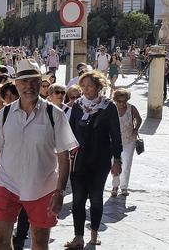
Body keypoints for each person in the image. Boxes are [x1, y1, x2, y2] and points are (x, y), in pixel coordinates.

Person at [0, 58, 78, 250]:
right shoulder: (3, 115)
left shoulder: (55, 115)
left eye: (34, 81)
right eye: (24, 81)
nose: (29, 86)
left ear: (41, 83)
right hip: (8, 184)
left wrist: (60, 192)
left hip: (42, 186)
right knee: (0, 239)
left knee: (39, 240)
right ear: (16, 84)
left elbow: (64, 156)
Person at [65, 70, 122, 249]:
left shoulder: (108, 106)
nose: (85, 89)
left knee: (96, 198)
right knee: (78, 199)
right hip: (79, 160)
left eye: (89, 85)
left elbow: (115, 134)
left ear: (98, 86)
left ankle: (94, 233)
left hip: (100, 160)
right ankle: (78, 237)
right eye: (83, 85)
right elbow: (69, 131)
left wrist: (117, 159)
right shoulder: (77, 106)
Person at [111, 89, 142, 197]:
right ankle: (115, 186)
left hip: (129, 140)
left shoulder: (131, 108)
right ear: (115, 100)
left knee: (127, 164)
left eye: (124, 101)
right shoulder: (112, 108)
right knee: (114, 163)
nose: (122, 103)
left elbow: (139, 119)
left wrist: (136, 129)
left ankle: (124, 187)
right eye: (119, 101)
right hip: (114, 141)